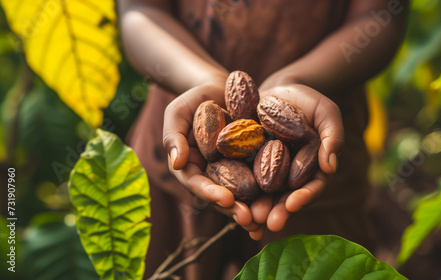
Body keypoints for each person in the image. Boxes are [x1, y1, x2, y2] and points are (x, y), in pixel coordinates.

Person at [119, 0, 408, 279]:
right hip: (175, 155)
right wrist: (202, 80)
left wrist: (296, 80)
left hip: (318, 153)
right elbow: (141, 11)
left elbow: (379, 17)